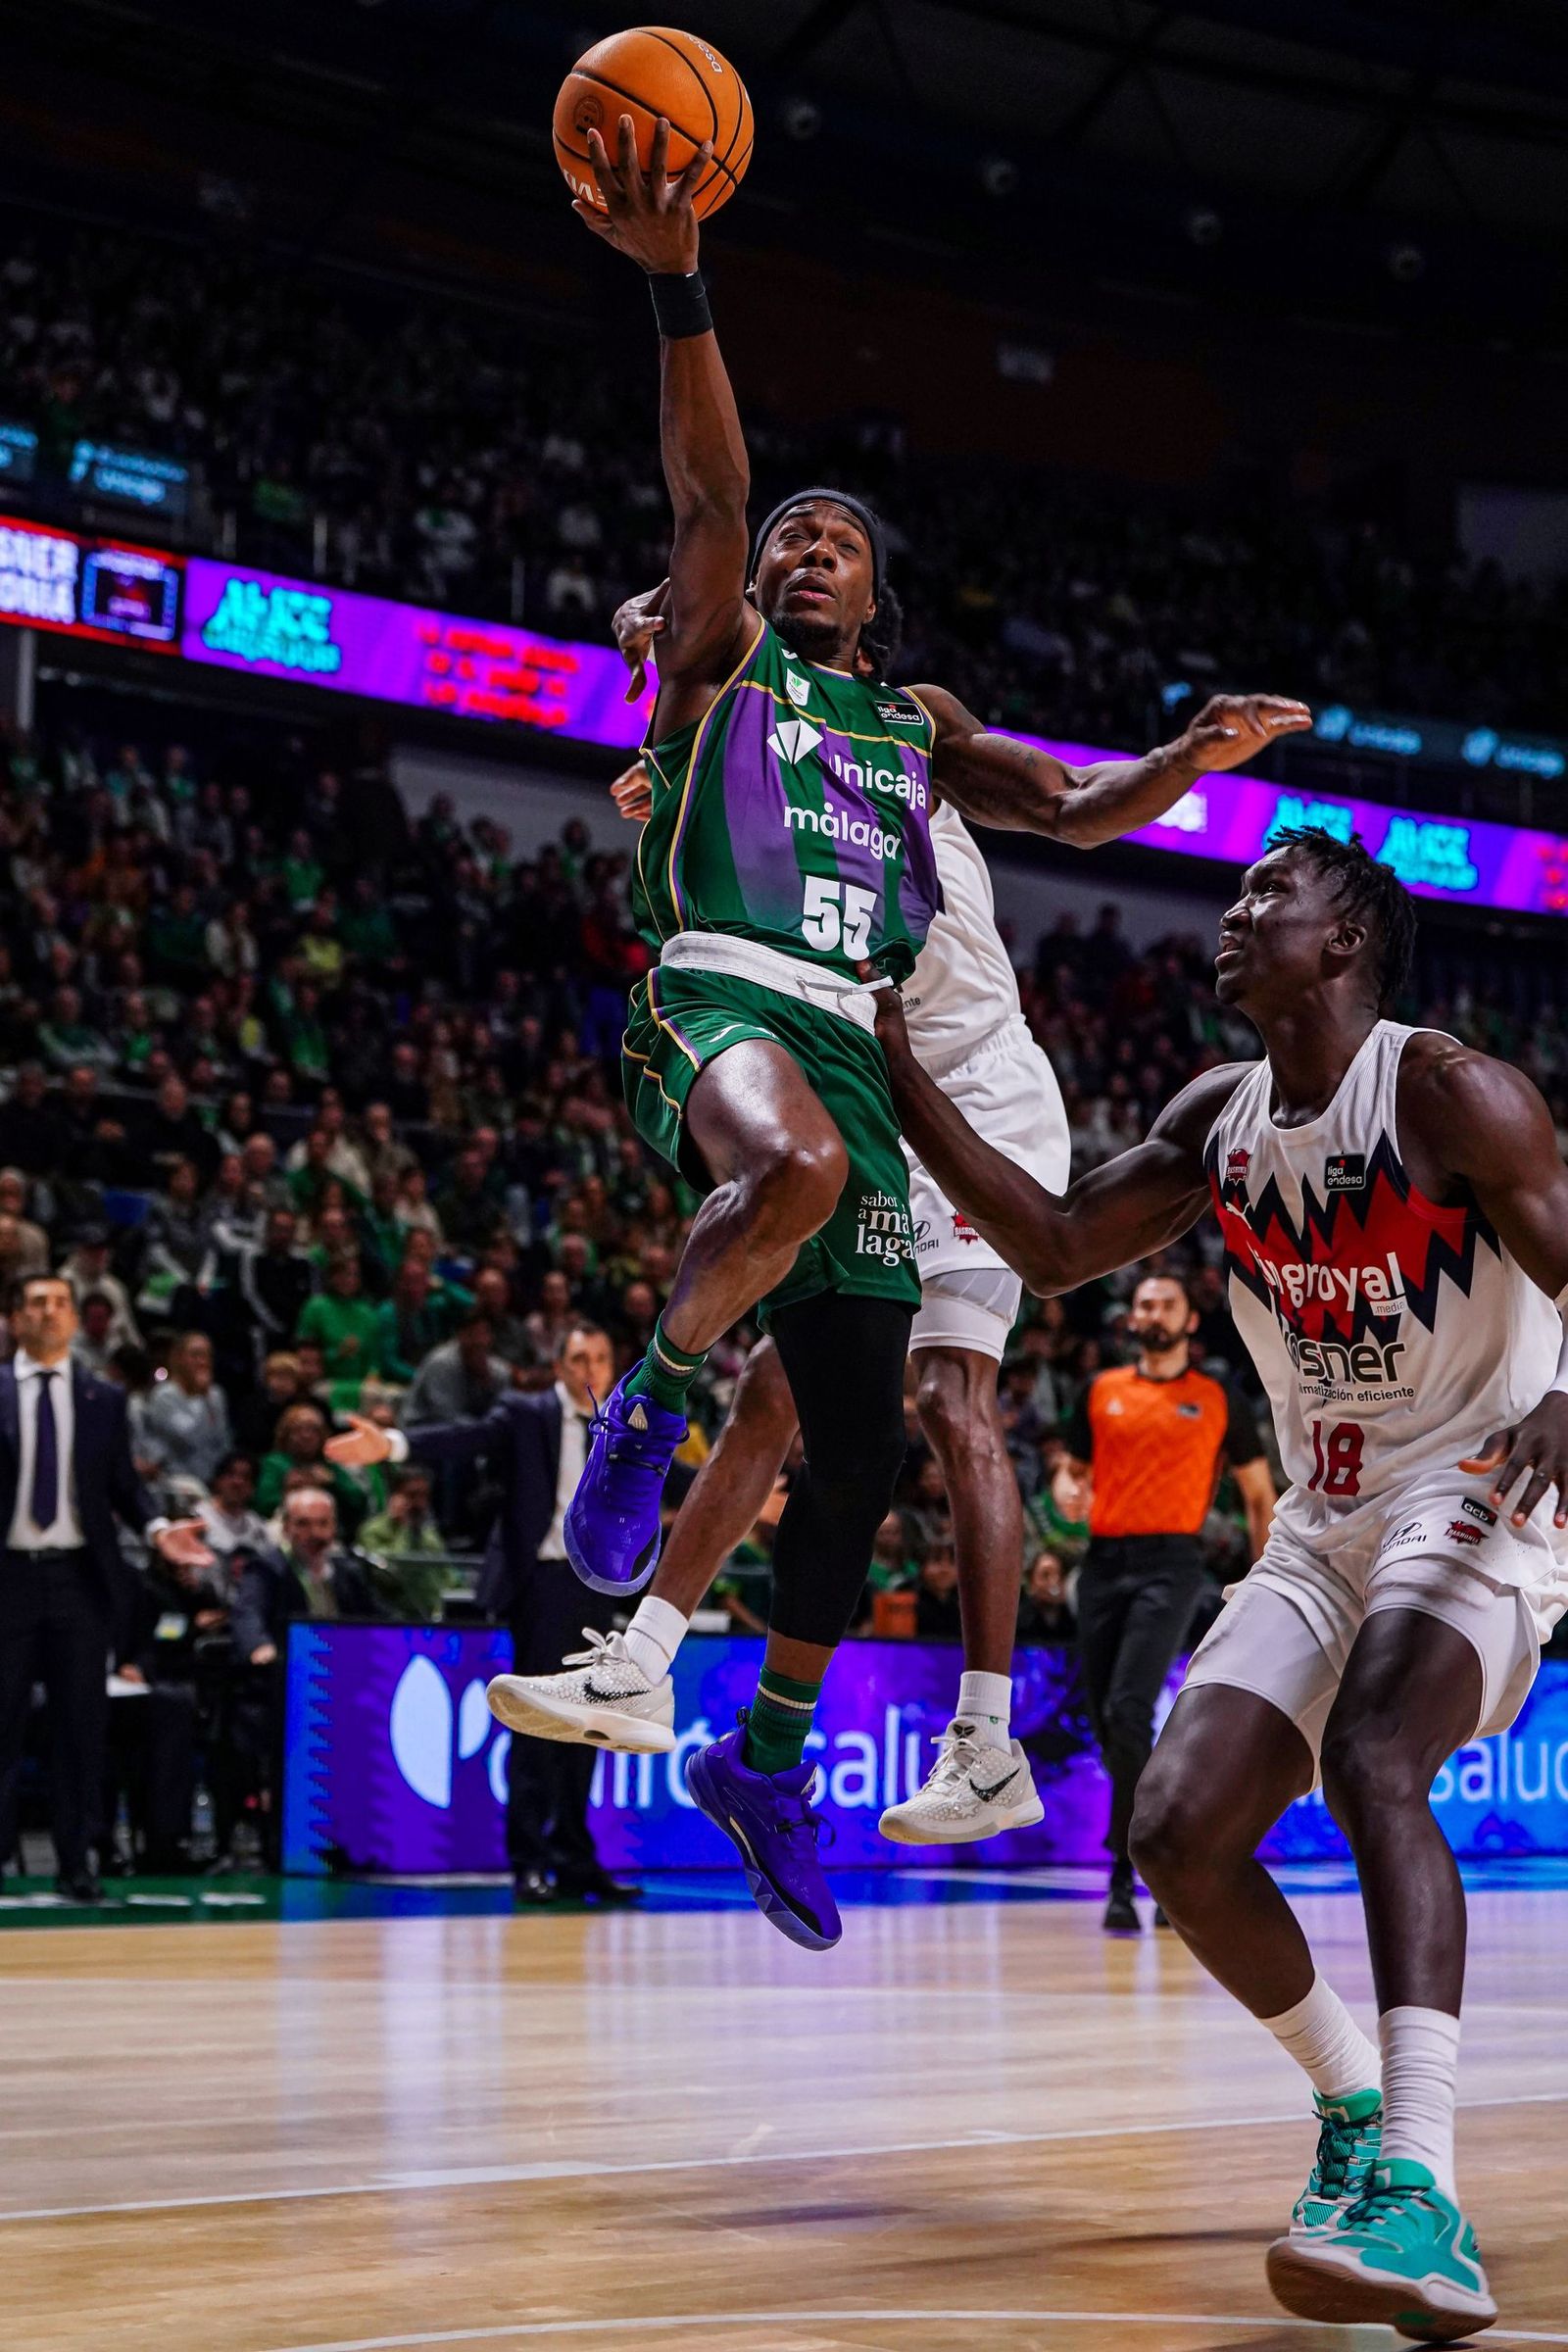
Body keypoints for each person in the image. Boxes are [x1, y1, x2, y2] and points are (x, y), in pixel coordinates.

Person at [553, 118, 1308, 1947]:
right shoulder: (720, 647)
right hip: (727, 994)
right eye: (793, 534)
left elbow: (1065, 805)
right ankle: (647, 1416)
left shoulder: (914, 722)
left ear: (880, 596)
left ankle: (771, 1752)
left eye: (838, 543)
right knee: (798, 1180)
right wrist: (680, 282)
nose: (805, 549)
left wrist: (1187, 764)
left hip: (868, 1053)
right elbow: (711, 497)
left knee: (864, 1444)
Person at [866, 824, 1568, 2339]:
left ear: (1347, 942)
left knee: (1380, 1752)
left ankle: (1424, 2189)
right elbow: (1052, 1247)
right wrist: (898, 1073)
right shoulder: (1221, 1117)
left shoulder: (1449, 1092)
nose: (1237, 912)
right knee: (1176, 1831)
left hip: (1485, 1481)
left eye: (1273, 895)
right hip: (1324, 1515)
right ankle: (1351, 2107)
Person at [326, 1325, 640, 1907]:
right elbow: (461, 1437)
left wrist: (747, 1503)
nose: (590, 1368)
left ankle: (575, 1858)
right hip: (542, 1583)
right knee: (540, 1723)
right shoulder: (526, 1414)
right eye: (578, 1358)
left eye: (600, 1357)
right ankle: (530, 1861)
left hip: (598, 1585)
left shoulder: (626, 1422)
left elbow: (670, 1476)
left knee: (590, 1725)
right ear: (559, 1366)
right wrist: (393, 1445)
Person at [1061, 1269, 1275, 1932]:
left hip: (1172, 1566)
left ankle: (1132, 1873)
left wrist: (1266, 1579)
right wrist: (1067, 1487)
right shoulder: (1101, 1391)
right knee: (1108, 1725)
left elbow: (1259, 1495)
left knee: (1128, 1713)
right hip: (1101, 1563)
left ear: (1189, 1320)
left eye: (1166, 1303)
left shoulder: (1218, 1397)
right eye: (1145, 1302)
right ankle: (1166, 1837)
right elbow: (1071, 1466)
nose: (1152, 1311)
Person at [0, 1274, 213, 1900]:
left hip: (77, 1578)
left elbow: (124, 1483)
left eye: (60, 1303)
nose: (50, 1312)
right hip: (7, 1577)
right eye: (37, 1303)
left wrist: (156, 1530)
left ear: (73, 1319)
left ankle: (78, 1861)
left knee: (79, 1728)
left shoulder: (102, 1398)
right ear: (14, 1317)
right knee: (2, 1726)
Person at [137, 1331, 235, 1492]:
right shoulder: (165, 1396)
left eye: (206, 1356)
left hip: (211, 1480)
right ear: (179, 1358)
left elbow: (222, 1440)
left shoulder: (216, 1395)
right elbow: (189, 1438)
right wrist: (202, 1398)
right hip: (176, 1480)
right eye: (195, 1355)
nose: (202, 1362)